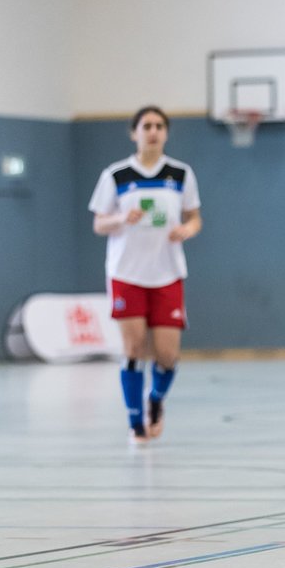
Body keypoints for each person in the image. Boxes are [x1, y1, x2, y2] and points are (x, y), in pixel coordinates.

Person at [89, 106, 202, 444]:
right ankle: (135, 420)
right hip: (126, 273)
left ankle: (156, 400)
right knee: (134, 347)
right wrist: (122, 219)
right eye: (146, 125)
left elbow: (195, 217)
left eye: (159, 126)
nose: (152, 131)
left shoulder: (180, 174)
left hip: (167, 273)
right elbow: (98, 223)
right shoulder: (116, 175)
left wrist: (187, 230)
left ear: (165, 133)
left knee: (167, 355)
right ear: (134, 132)